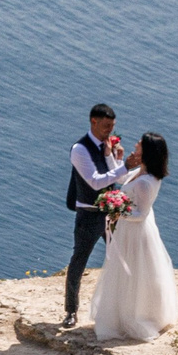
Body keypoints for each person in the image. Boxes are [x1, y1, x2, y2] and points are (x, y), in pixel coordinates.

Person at [92, 131, 178, 341]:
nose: (135, 146)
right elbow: (123, 178)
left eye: (139, 145)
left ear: (147, 152)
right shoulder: (142, 173)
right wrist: (114, 156)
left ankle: (133, 316)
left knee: (132, 273)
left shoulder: (145, 182)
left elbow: (141, 214)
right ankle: (125, 313)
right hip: (129, 230)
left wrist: (117, 210)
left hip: (135, 232)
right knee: (132, 273)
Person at [62, 103, 125, 327]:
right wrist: (125, 166)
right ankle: (70, 310)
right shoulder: (80, 149)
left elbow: (115, 178)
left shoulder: (106, 146)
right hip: (88, 213)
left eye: (113, 126)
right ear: (94, 122)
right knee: (79, 261)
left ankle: (122, 307)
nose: (110, 131)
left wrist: (115, 158)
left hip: (110, 213)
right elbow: (96, 181)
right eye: (106, 126)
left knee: (122, 257)